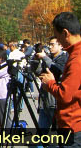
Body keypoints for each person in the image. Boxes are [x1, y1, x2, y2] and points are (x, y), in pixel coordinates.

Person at [38, 12, 81, 144]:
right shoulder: (73, 53)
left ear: (65, 33)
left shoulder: (76, 59)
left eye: (58, 37)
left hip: (72, 125)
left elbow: (66, 95)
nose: (59, 43)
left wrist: (49, 83)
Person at [0, 48, 14, 128]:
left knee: (4, 118)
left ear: (1, 57)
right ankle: (3, 134)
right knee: (0, 118)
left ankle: (8, 135)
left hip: (3, 95)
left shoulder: (6, 67)